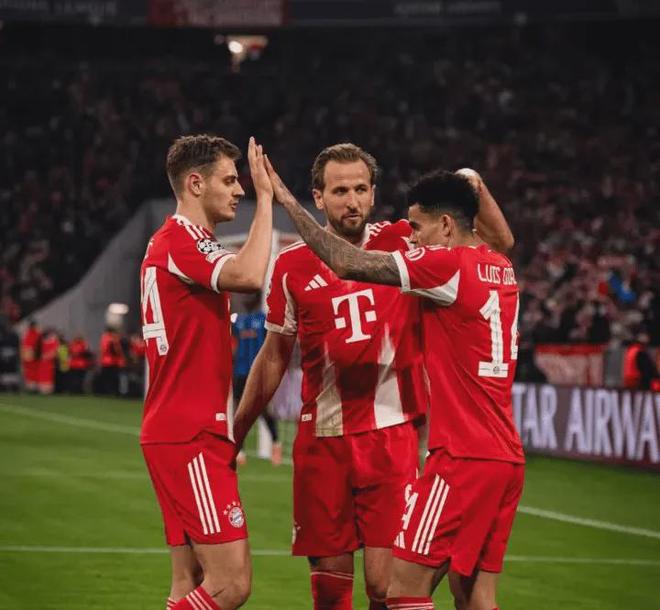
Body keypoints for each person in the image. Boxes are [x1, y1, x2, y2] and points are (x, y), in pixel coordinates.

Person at [234, 144, 513, 610]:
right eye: (340, 191)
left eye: (361, 189)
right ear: (319, 197)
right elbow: (274, 356)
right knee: (329, 592)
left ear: (374, 192)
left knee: (386, 588)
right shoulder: (291, 265)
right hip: (323, 442)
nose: (353, 201)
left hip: (391, 439)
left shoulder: (406, 239)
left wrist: (472, 184)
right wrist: (237, 431)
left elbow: (497, 242)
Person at [140, 134, 273, 610]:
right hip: (190, 433)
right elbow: (249, 276)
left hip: (178, 430)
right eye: (230, 180)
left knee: (188, 582)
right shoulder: (182, 240)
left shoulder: (175, 243)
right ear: (196, 184)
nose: (240, 190)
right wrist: (267, 202)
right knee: (230, 584)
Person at [231, 291, 282, 466]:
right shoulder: (238, 320)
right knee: (239, 410)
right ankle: (240, 450)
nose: (246, 299)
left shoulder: (264, 320)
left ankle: (275, 442)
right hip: (240, 371)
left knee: (263, 409)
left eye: (250, 296)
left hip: (258, 372)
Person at [20, 320, 41, 392]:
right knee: (30, 372)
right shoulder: (29, 334)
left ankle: (33, 387)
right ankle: (31, 388)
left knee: (33, 372)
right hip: (30, 356)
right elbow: (24, 346)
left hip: (33, 356)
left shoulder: (34, 334)